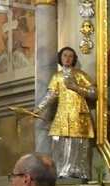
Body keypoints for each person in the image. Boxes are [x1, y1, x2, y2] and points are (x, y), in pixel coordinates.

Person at [35, 47, 97, 179]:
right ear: (60, 58)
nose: (68, 58)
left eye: (70, 56)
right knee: (59, 142)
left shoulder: (81, 75)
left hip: (78, 114)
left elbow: (94, 93)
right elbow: (51, 94)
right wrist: (40, 107)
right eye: (65, 55)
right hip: (63, 115)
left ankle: (78, 171)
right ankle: (61, 171)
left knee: (78, 144)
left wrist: (78, 88)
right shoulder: (57, 77)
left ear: (74, 59)